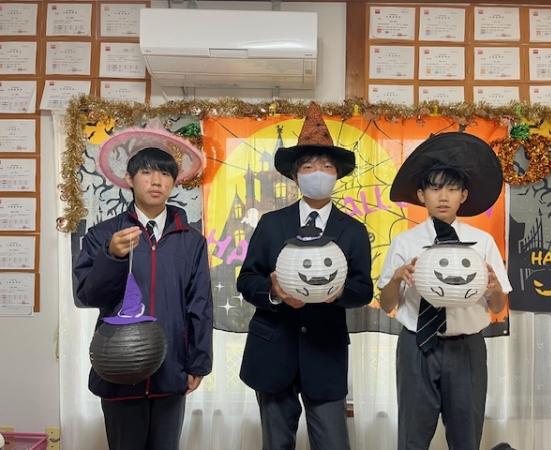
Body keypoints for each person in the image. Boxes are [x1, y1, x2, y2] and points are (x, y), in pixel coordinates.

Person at [237, 102, 373, 450]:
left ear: (337, 175)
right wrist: (274, 293)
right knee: (276, 444)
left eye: (326, 166)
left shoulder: (353, 231)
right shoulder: (271, 224)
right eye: (309, 166)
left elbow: (363, 288)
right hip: (273, 351)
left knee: (333, 444)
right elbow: (247, 279)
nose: (318, 172)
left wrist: (339, 293)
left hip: (325, 353)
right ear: (296, 175)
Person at [378, 132, 512, 450]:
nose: (443, 197)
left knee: (466, 439)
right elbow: (386, 304)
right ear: (421, 195)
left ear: (463, 196)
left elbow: (497, 306)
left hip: (467, 349)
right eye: (435, 188)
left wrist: (494, 287)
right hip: (417, 346)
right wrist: (396, 278)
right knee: (412, 439)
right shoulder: (405, 242)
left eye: (452, 189)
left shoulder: (482, 243)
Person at [74, 146, 213, 450]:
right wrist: (111, 255)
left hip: (170, 368)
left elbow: (200, 304)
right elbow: (87, 295)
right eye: (147, 172)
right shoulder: (103, 235)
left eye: (165, 173)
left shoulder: (191, 240)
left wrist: (199, 363)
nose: (156, 181)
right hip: (119, 367)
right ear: (129, 179)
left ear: (174, 182)